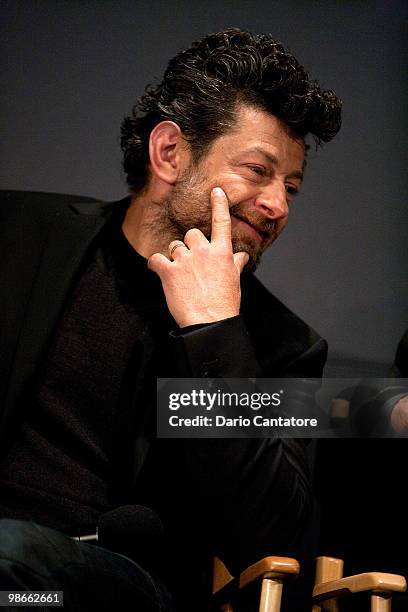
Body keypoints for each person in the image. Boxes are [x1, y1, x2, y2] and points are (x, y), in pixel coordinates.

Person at [0, 29, 341, 610]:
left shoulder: (282, 346)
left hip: (107, 587)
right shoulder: (19, 234)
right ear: (168, 153)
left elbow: (276, 539)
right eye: (258, 171)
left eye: (290, 187)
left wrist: (214, 332)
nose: (278, 204)